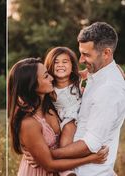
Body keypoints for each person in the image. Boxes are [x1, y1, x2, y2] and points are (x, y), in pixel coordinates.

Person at [46, 22, 125, 175]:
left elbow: (90, 145)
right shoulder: (98, 73)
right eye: (81, 53)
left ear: (106, 53)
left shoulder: (109, 90)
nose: (81, 60)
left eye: (87, 55)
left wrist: (46, 155)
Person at [8, 57, 108, 176]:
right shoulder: (29, 123)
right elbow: (49, 165)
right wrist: (90, 159)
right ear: (32, 85)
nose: (51, 78)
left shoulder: (51, 104)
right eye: (46, 76)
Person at [44, 47, 82, 176]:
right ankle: (64, 170)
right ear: (50, 65)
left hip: (80, 113)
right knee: (68, 129)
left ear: (72, 65)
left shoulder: (79, 80)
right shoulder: (49, 88)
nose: (60, 65)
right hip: (66, 119)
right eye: (56, 62)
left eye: (65, 61)